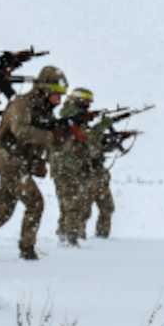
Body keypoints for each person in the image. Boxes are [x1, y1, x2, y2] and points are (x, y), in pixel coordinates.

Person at [0, 65, 73, 260]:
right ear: (45, 89)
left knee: (0, 214)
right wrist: (50, 136)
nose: (59, 98)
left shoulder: (45, 111)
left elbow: (48, 141)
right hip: (10, 162)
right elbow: (21, 131)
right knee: (35, 203)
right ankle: (27, 250)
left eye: (63, 93)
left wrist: (64, 137)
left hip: (20, 164)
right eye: (57, 93)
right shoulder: (23, 104)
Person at [49, 87, 113, 246]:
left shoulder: (75, 120)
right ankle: (70, 240)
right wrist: (100, 128)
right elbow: (86, 140)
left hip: (72, 168)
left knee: (71, 206)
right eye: (86, 104)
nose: (88, 107)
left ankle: (67, 237)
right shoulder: (69, 119)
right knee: (72, 206)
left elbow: (87, 143)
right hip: (67, 169)